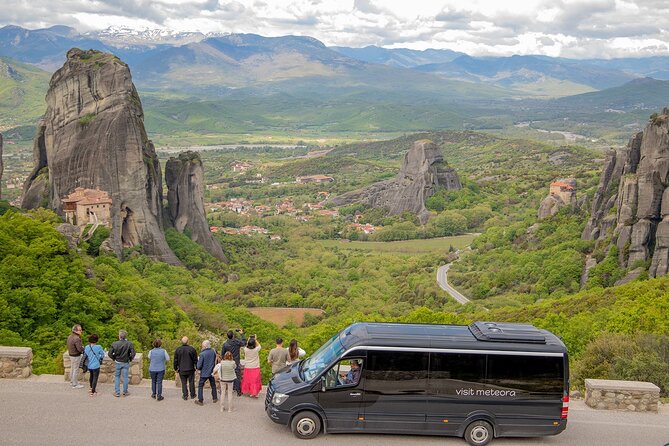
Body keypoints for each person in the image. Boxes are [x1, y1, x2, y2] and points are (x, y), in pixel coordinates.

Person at [108, 329, 136, 397]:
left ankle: (117, 392)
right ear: (125, 336)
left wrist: (114, 358)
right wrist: (130, 359)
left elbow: (109, 354)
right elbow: (133, 353)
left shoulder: (114, 343)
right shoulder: (129, 343)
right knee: (125, 377)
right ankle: (125, 391)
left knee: (117, 377)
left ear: (119, 336)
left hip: (118, 362)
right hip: (126, 362)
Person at [222, 329, 246, 396]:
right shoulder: (236, 342)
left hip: (228, 363)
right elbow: (244, 343)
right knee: (237, 377)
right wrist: (242, 334)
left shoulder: (225, 344)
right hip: (236, 362)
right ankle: (238, 392)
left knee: (228, 376)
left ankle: (230, 389)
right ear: (233, 336)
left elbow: (222, 354)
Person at [174, 336, 198, 400]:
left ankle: (185, 395)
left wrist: (175, 368)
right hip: (190, 369)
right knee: (191, 382)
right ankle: (192, 394)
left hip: (182, 369)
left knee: (183, 383)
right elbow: (195, 360)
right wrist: (197, 366)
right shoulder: (192, 349)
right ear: (188, 341)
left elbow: (175, 360)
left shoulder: (178, 349)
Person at [195, 340, 218, 406]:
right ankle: (214, 398)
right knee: (213, 385)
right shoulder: (213, 351)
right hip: (211, 372)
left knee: (200, 386)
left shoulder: (202, 354)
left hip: (204, 373)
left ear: (204, 346)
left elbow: (198, 366)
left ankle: (200, 400)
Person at [67, 324, 84, 389]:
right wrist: (83, 348)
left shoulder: (70, 336)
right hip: (76, 355)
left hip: (71, 354)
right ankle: (75, 384)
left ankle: (72, 381)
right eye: (80, 330)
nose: (81, 331)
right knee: (76, 370)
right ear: (76, 331)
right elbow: (79, 349)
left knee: (72, 368)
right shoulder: (77, 338)